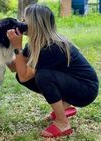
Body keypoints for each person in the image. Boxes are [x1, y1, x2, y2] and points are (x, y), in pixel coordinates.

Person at [6, 4, 99, 138]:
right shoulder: (34, 45)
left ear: (36, 24)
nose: (21, 24)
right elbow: (15, 68)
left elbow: (25, 76)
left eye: (24, 21)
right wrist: (0, 47)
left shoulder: (52, 47)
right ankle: (64, 107)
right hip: (72, 84)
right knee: (27, 75)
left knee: (43, 76)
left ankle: (63, 122)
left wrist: (17, 47)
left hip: (86, 90)